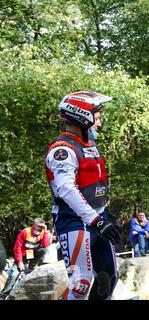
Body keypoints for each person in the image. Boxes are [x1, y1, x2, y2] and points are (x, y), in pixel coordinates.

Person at [45, 91, 120, 300]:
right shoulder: (63, 150)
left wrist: (105, 213)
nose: (100, 123)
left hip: (98, 219)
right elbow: (66, 189)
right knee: (80, 284)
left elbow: (92, 184)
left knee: (109, 277)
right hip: (73, 222)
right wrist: (95, 219)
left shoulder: (89, 145)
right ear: (82, 116)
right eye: (96, 118)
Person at [0, 218, 50, 298]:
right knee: (14, 274)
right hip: (21, 256)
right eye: (38, 226)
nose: (40, 228)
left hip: (32, 255)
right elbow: (17, 247)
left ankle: (32, 266)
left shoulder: (43, 233)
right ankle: (3, 295)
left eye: (42, 227)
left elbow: (45, 245)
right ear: (34, 225)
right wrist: (20, 262)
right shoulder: (25, 232)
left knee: (44, 250)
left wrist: (45, 231)